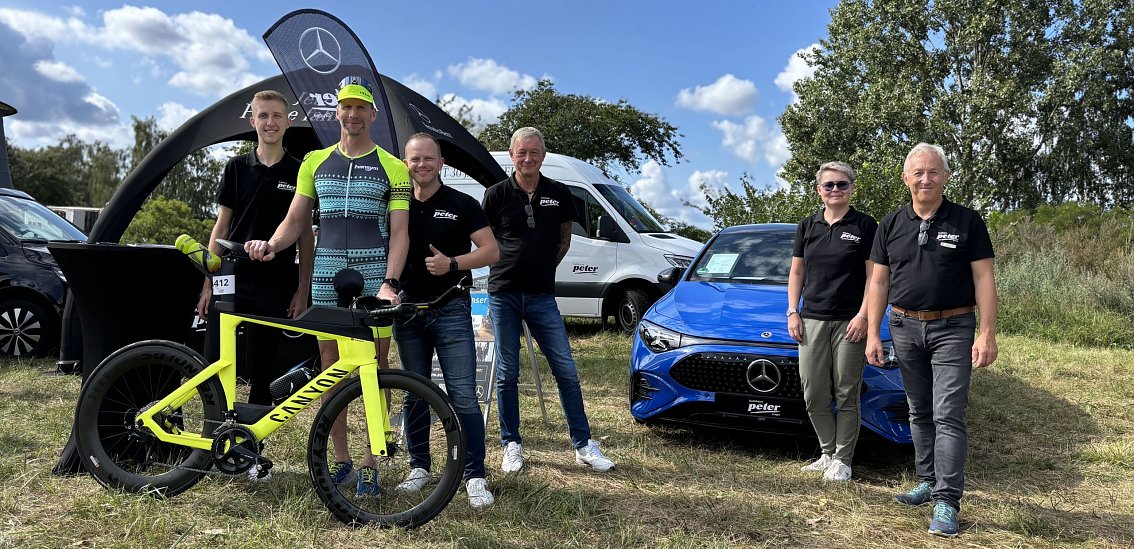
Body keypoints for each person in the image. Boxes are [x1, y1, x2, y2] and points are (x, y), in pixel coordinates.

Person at [245, 76, 410, 497]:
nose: (353, 114)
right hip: (326, 275)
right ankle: (342, 461)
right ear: (336, 112)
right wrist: (273, 244)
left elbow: (401, 233)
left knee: (377, 368)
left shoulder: (394, 166)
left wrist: (391, 282)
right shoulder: (314, 162)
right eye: (346, 107)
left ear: (372, 114)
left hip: (374, 275)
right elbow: (296, 219)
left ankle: (373, 462)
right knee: (331, 369)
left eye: (361, 108)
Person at [865, 143, 998, 538]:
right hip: (904, 327)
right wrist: (874, 332)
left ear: (946, 177)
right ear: (905, 178)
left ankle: (947, 500)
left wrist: (987, 332)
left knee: (948, 413)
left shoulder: (968, 221)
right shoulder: (890, 225)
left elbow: (984, 278)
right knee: (918, 410)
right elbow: (879, 281)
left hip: (953, 328)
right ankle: (926, 480)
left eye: (934, 171)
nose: (926, 178)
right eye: (918, 172)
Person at [481, 127, 614, 473]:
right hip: (503, 293)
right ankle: (511, 444)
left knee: (566, 370)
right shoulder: (495, 195)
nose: (528, 158)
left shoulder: (559, 193)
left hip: (542, 295)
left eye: (534, 152)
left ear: (543, 155)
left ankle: (583, 444)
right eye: (521, 152)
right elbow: (486, 242)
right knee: (507, 373)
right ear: (511, 155)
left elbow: (563, 241)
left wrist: (540, 267)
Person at [393, 132, 500, 508]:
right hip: (406, 311)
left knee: (463, 397)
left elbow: (491, 251)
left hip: (451, 308)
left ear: (441, 163)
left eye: (428, 159)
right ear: (405, 163)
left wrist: (452, 264)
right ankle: (419, 467)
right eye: (414, 159)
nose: (421, 165)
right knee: (415, 391)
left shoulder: (462, 203)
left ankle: (474, 474)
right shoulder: (398, 203)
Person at [196, 89, 314, 412]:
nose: (270, 122)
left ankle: (250, 447)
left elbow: (305, 237)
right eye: (263, 115)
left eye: (277, 116)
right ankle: (214, 432)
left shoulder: (301, 171)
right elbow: (220, 229)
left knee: (264, 368)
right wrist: (208, 283)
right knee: (215, 360)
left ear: (288, 122)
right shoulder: (236, 167)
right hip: (230, 276)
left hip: (275, 282)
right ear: (253, 121)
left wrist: (302, 290)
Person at [788, 161, 876, 482]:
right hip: (810, 319)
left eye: (842, 184)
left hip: (850, 321)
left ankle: (843, 460)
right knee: (812, 390)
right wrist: (792, 311)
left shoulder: (866, 226)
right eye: (829, 185)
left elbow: (874, 277)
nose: (835, 190)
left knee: (846, 391)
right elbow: (797, 272)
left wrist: (864, 315)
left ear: (852, 188)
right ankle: (826, 453)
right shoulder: (807, 226)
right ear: (819, 190)